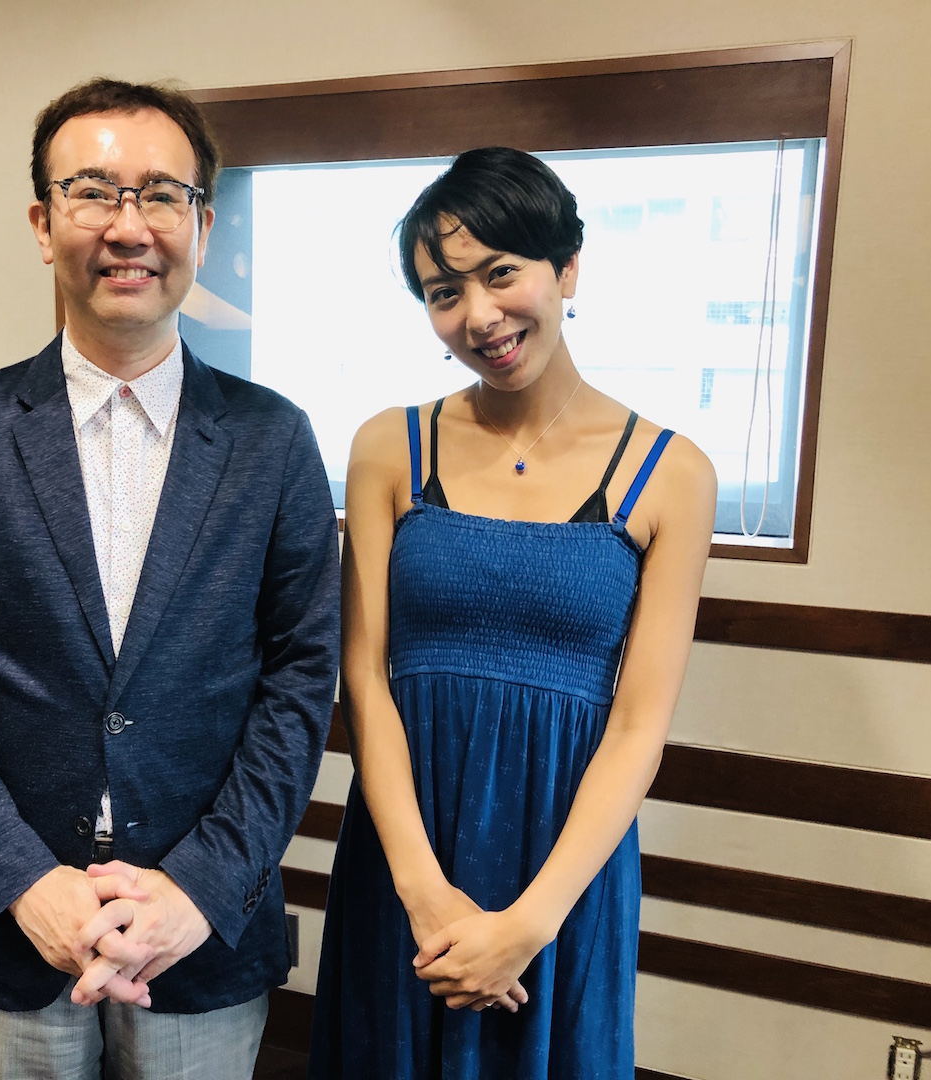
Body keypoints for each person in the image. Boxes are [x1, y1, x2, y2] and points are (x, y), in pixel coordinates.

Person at [0, 78, 340, 1080]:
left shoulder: (273, 440)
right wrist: (22, 881)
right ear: (43, 225)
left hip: (199, 926)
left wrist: (201, 886)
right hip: (16, 922)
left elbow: (301, 685)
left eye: (162, 195)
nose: (130, 227)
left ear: (201, 226)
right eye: (93, 193)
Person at [308, 147, 716, 1079]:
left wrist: (529, 924)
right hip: (406, 849)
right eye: (443, 292)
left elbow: (640, 724)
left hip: (563, 869)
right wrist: (424, 895)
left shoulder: (673, 473)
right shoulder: (389, 446)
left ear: (566, 268)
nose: (479, 316)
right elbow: (363, 679)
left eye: (500, 273)